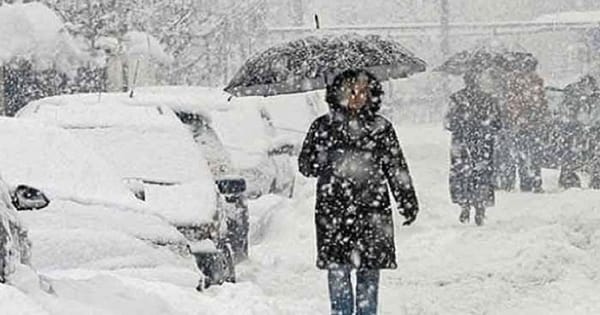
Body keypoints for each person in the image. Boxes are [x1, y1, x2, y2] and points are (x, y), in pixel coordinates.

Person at [298, 69, 419, 315]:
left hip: (371, 211)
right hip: (334, 211)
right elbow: (306, 167)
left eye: (363, 91)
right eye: (350, 91)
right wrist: (323, 154)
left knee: (369, 274)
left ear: (372, 94)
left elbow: (396, 167)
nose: (356, 97)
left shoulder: (381, 128)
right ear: (337, 93)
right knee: (338, 273)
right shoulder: (323, 127)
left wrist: (407, 201)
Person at [445, 71, 501, 226]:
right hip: (482, 142)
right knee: (482, 173)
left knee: (461, 173)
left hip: (461, 142)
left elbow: (448, 123)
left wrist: (462, 125)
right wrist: (484, 126)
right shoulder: (489, 99)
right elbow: (497, 123)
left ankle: (464, 204)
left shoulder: (456, 99)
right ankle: (480, 206)